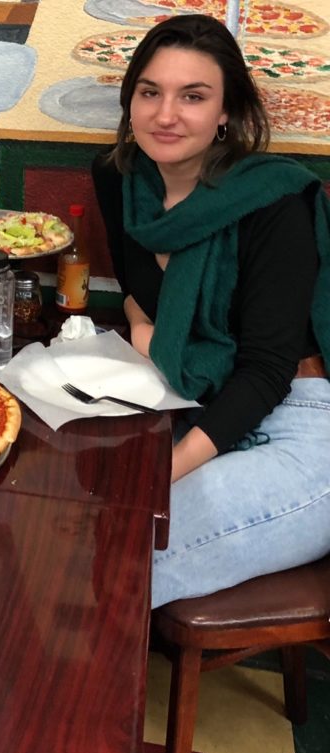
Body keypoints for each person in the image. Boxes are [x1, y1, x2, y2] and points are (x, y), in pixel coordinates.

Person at [92, 14, 330, 607]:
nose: (165, 114)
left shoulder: (275, 201)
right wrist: (148, 336)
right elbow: (136, 291)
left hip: (298, 422)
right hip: (190, 398)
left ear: (226, 111)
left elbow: (266, 373)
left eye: (193, 96)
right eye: (150, 92)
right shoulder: (121, 180)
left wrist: (162, 474)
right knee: (70, 514)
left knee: (118, 548)